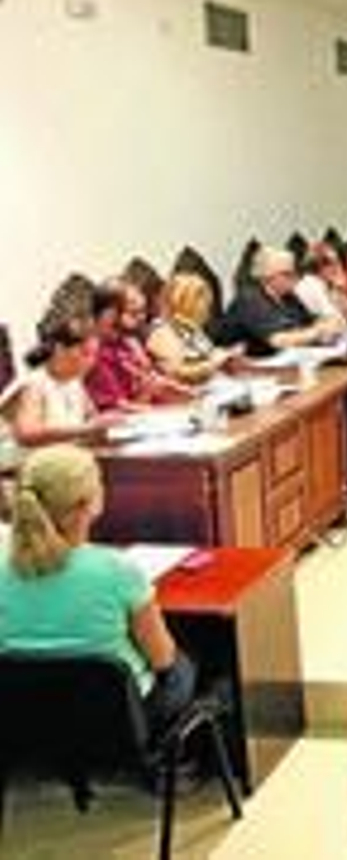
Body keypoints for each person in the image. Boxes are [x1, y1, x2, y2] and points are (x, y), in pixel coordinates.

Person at [0, 444, 197, 732]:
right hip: (117, 719)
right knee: (186, 664)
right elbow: (162, 659)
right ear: (87, 504)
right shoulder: (117, 570)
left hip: (26, 713)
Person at [2, 316, 114, 447]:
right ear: (59, 349)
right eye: (85, 353)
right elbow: (27, 434)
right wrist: (86, 429)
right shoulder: (34, 383)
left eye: (94, 355)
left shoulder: (74, 383)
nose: (91, 362)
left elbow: (94, 420)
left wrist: (109, 423)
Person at [84, 279, 193, 411]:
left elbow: (157, 383)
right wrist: (164, 408)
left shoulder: (128, 341)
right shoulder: (94, 353)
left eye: (143, 311)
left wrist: (194, 397)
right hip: (135, 423)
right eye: (133, 313)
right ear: (109, 315)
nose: (142, 318)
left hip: (157, 414)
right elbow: (119, 410)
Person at [225, 246, 343, 357]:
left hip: (284, 362)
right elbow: (279, 340)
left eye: (294, 272)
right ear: (267, 276)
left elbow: (310, 322)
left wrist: (329, 322)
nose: (295, 277)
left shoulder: (288, 296)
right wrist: (319, 331)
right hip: (249, 367)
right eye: (287, 274)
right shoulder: (250, 299)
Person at [146, 272, 242, 385]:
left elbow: (207, 354)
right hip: (187, 397)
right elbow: (176, 372)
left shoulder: (190, 328)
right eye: (202, 304)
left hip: (209, 388)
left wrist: (226, 354)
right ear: (184, 303)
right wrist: (213, 363)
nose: (207, 310)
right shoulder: (162, 332)